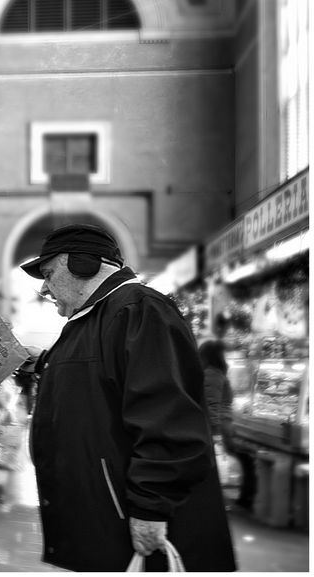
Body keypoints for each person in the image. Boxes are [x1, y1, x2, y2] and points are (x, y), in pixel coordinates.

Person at [19, 223, 236, 572]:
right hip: (108, 518)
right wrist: (43, 360)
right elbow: (94, 373)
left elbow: (168, 417)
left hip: (133, 520)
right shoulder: (95, 318)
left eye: (48, 273)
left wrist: (151, 506)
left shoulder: (140, 311)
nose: (44, 287)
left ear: (84, 264)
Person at [199, 338, 256, 511]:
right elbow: (212, 404)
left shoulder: (212, 373)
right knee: (243, 460)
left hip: (222, 426)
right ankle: (244, 499)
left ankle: (244, 498)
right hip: (222, 427)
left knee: (241, 461)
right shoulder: (213, 374)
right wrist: (215, 433)